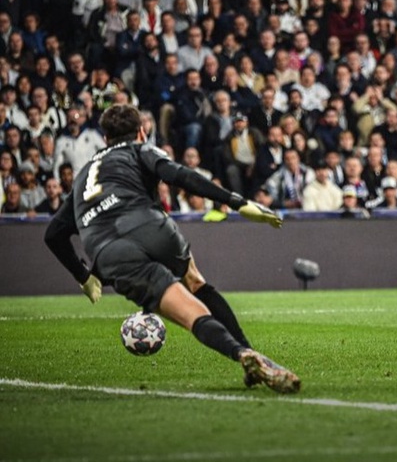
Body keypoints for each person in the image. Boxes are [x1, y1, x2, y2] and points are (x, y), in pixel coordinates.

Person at [43, 104, 300, 394]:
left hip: (109, 253)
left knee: (191, 315)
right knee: (195, 283)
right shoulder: (139, 149)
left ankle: (240, 354)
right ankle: (251, 353)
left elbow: (53, 235)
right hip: (152, 228)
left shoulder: (82, 178)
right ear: (141, 132)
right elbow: (180, 175)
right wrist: (237, 202)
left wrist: (84, 277)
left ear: (105, 138)